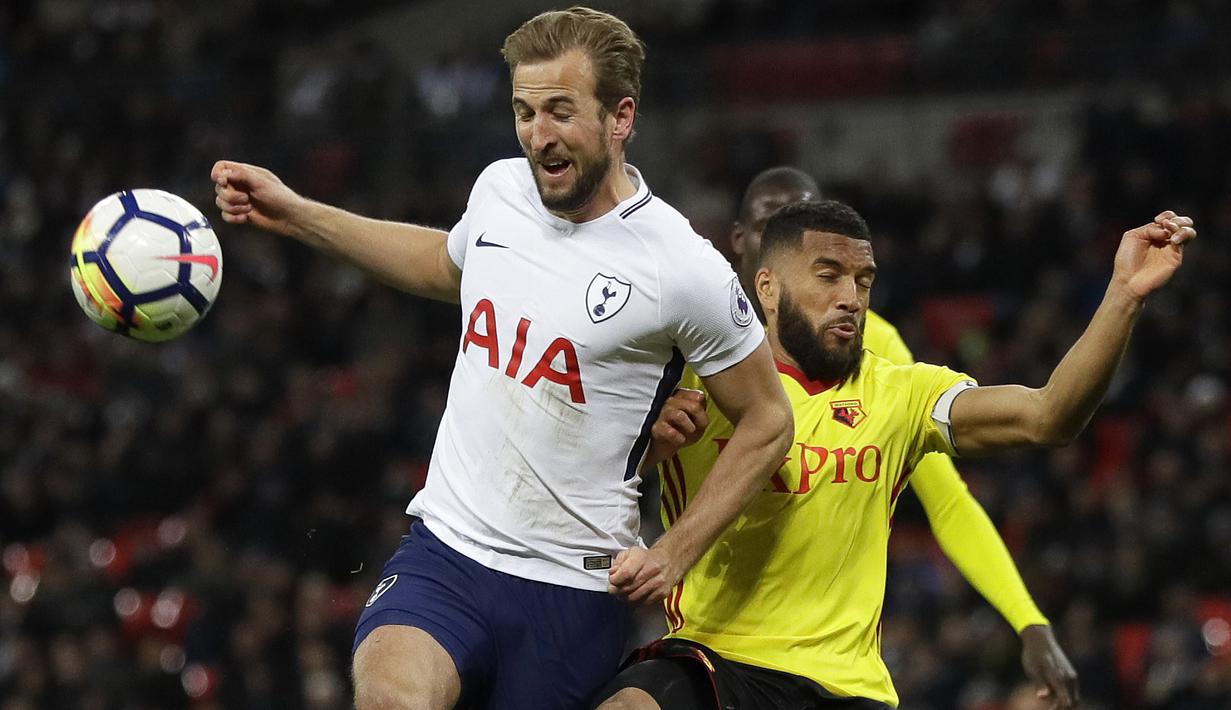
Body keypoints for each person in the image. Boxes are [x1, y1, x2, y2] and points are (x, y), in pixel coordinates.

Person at [211, 7, 793, 710]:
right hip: (448, 551)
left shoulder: (681, 267)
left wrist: (674, 551)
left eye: (558, 111)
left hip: (571, 592)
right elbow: (444, 264)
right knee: (390, 699)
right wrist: (297, 212)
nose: (536, 135)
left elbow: (766, 419)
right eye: (523, 111)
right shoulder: (498, 190)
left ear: (620, 117)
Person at [595, 199, 1195, 709]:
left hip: (847, 688)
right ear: (768, 287)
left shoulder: (903, 393)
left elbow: (1049, 416)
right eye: (828, 275)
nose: (851, 297)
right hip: (714, 659)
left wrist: (1124, 294)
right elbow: (591, 477)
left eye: (863, 280)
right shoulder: (694, 383)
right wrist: (649, 450)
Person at [726, 167, 1079, 705]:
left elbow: (947, 498)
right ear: (743, 243)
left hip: (822, 662)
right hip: (708, 639)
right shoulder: (697, 332)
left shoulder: (875, 348)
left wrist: (1027, 619)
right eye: (770, 224)